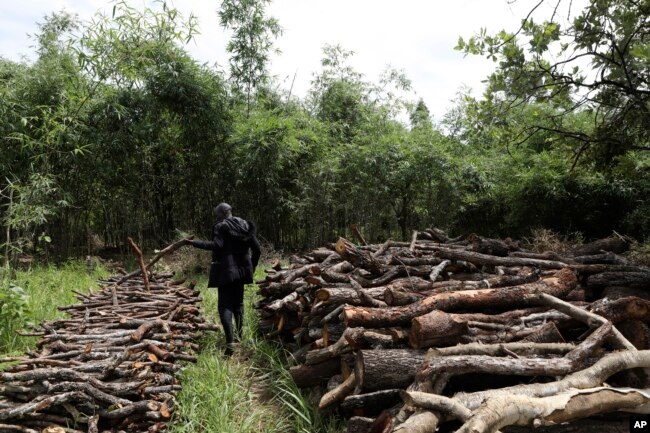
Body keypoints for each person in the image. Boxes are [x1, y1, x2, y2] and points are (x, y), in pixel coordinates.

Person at [187, 203, 261, 356]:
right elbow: (257, 249)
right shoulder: (245, 224)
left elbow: (217, 245)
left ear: (223, 213)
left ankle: (230, 344)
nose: (217, 217)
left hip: (227, 271)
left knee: (224, 307)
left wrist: (194, 243)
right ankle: (239, 337)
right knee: (238, 304)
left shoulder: (221, 226)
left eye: (217, 214)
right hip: (242, 271)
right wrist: (251, 267)